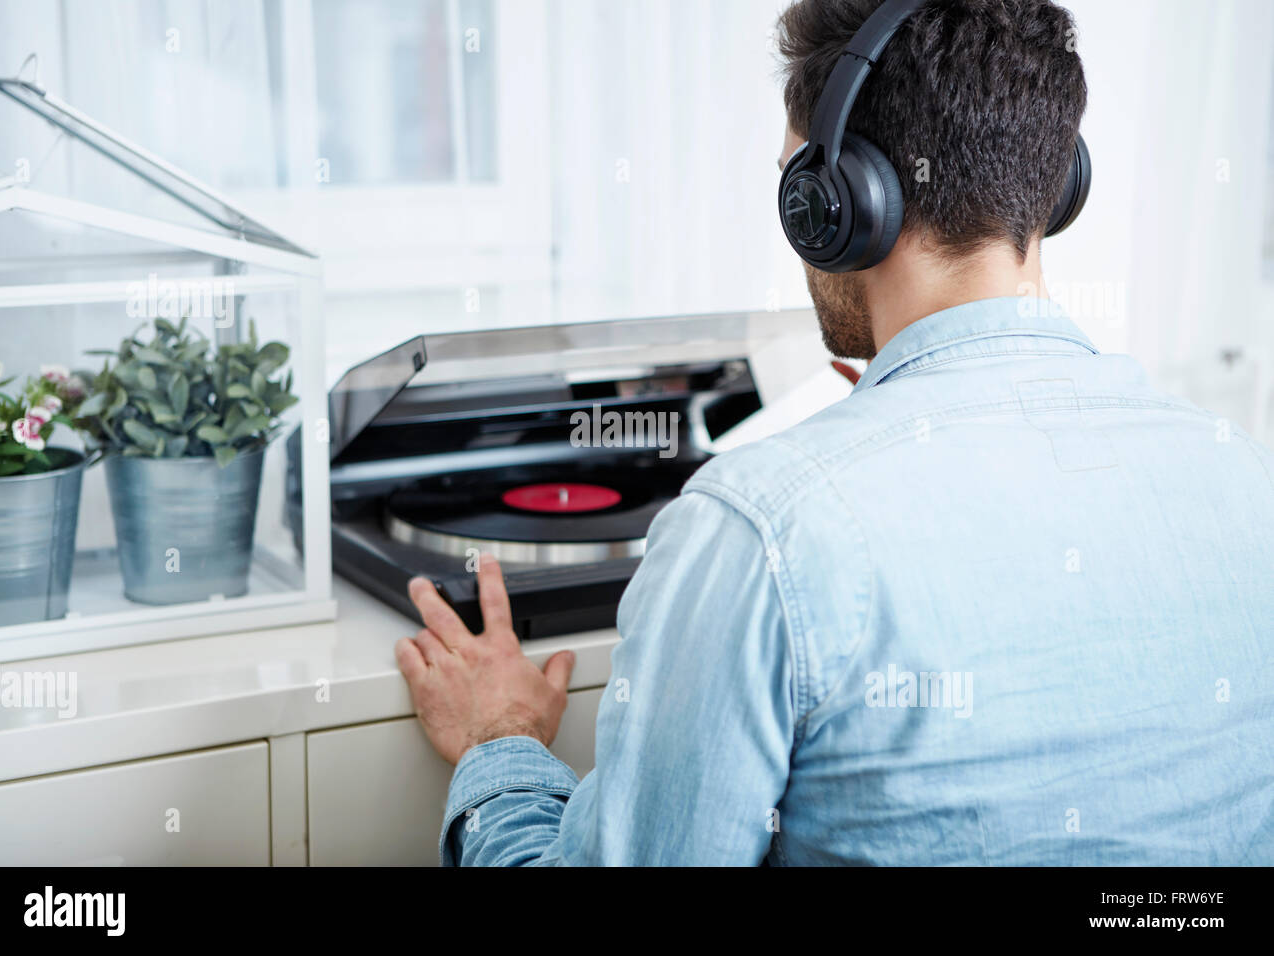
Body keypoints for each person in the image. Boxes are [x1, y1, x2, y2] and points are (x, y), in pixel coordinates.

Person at [395, 0, 1274, 865]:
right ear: (1056, 181)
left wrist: (500, 745)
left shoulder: (756, 532)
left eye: (796, 181)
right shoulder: (1244, 480)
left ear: (841, 201)